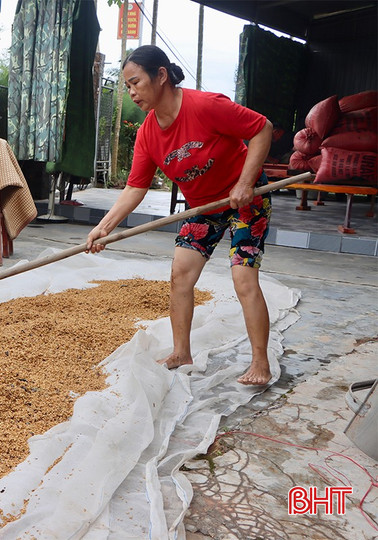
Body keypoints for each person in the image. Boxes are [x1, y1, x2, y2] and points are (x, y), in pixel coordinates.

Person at [86, 45, 274, 386]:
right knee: (180, 275)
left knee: (243, 279)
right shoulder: (146, 133)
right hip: (204, 207)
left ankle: (260, 363)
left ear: (160, 76)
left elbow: (262, 128)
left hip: (245, 199)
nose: (131, 92)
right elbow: (135, 188)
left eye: (135, 82)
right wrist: (103, 228)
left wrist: (246, 183)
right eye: (127, 85)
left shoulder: (206, 106)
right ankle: (181, 352)